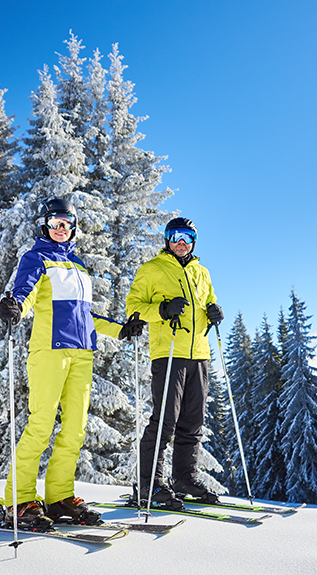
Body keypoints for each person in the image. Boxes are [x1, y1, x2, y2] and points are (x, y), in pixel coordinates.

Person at [0, 198, 146, 529]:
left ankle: (59, 497)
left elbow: (85, 315)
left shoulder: (79, 266)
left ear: (73, 226)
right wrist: (16, 307)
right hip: (50, 351)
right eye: (55, 223)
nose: (61, 228)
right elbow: (26, 292)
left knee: (75, 430)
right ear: (45, 225)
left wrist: (121, 329)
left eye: (67, 223)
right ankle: (16, 501)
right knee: (41, 426)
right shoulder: (37, 258)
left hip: (82, 353)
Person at [125, 216, 224, 509]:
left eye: (188, 236)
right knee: (166, 419)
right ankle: (149, 485)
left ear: (194, 242)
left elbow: (209, 303)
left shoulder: (202, 272)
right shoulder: (152, 269)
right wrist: (163, 309)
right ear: (167, 239)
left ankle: (184, 479)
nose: (182, 241)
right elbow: (133, 307)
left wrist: (215, 312)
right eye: (176, 235)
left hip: (200, 354)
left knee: (192, 422)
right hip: (168, 352)